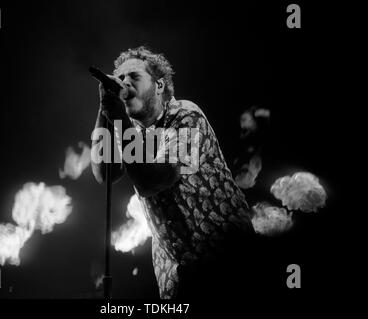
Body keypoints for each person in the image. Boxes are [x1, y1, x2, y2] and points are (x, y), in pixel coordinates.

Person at [91, 46, 259, 299]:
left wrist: (118, 118)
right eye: (120, 78)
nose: (124, 83)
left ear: (159, 85)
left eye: (134, 76)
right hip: (177, 278)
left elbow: (155, 180)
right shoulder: (131, 132)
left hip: (227, 265)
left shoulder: (185, 114)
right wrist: (105, 107)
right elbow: (105, 173)